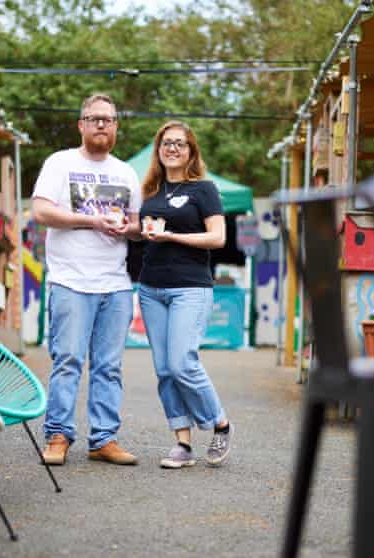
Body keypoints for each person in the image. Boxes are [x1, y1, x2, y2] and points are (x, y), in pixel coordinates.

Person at [32, 93, 142, 466]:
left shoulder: (126, 172)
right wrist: (91, 220)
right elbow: (42, 211)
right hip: (70, 281)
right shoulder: (60, 163)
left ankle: (103, 439)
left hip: (116, 283)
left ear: (116, 128)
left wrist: (129, 227)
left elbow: (137, 223)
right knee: (68, 360)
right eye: (94, 118)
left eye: (108, 120)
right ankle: (58, 435)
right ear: (81, 125)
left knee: (109, 366)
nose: (101, 125)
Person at [137, 120, 232, 469]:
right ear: (158, 150)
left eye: (180, 143)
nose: (172, 148)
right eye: (166, 142)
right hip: (150, 287)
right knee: (164, 369)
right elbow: (142, 232)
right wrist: (130, 229)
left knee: (182, 362)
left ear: (191, 151)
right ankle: (183, 443)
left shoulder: (204, 190)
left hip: (190, 287)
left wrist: (172, 237)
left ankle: (220, 423)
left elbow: (217, 238)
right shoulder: (150, 191)